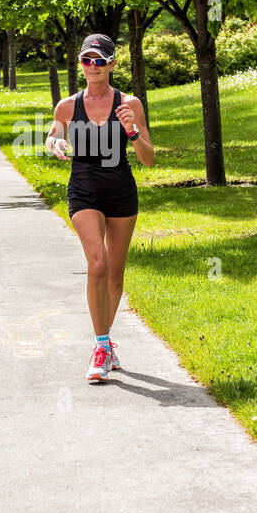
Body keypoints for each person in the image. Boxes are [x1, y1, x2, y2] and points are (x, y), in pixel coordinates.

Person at [46, 32, 154, 382]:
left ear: (111, 64)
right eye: (86, 60)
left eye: (98, 61)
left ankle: (105, 345)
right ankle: (101, 345)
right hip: (84, 191)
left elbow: (149, 159)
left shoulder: (129, 103)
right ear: (80, 64)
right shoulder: (67, 106)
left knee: (115, 275)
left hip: (121, 192)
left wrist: (133, 132)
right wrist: (55, 142)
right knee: (97, 264)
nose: (91, 67)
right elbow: (53, 135)